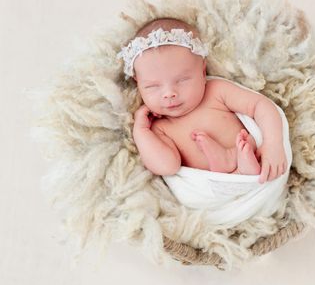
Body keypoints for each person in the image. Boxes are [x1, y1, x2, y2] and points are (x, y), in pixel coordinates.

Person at [117, 18, 288, 184]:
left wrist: (273, 145)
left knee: (250, 148)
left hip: (260, 167)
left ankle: (239, 164)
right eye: (152, 87)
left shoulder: (216, 91)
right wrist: (140, 130)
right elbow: (167, 166)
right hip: (213, 191)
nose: (169, 93)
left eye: (182, 80)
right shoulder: (159, 127)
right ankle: (235, 167)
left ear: (202, 69)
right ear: (137, 84)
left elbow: (261, 105)